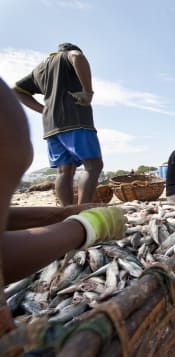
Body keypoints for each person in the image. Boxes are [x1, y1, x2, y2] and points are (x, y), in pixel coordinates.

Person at [0, 77, 126, 341]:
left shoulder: (39, 74)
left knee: (64, 170)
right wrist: (82, 229)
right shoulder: (72, 57)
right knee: (91, 166)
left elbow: (3, 218)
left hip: (55, 128)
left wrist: (62, 213)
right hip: (72, 122)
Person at [13, 42, 103, 206]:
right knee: (93, 166)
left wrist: (44, 110)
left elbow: (18, 90)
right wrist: (87, 92)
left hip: (51, 126)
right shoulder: (67, 55)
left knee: (64, 171)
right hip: (75, 118)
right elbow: (77, 57)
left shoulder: (39, 70)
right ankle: (81, 212)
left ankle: (66, 212)